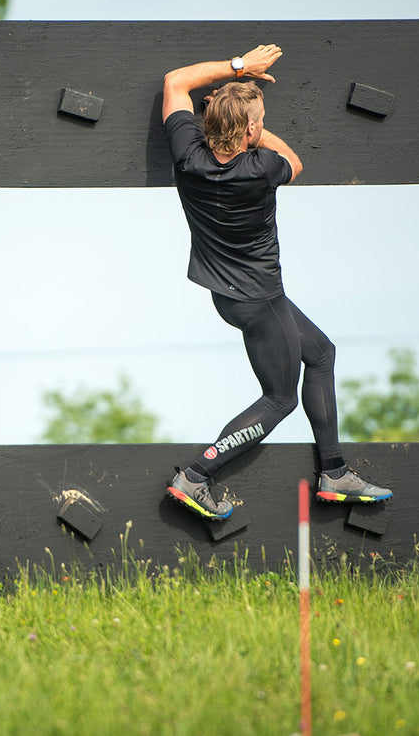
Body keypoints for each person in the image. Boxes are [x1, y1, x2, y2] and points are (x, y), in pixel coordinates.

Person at [161, 43, 392, 520]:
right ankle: (197, 476)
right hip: (261, 301)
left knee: (322, 353)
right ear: (250, 130)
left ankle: (333, 471)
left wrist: (238, 70)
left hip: (229, 295)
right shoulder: (260, 167)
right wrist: (250, 123)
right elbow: (294, 159)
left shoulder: (187, 156)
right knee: (279, 398)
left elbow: (175, 82)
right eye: (258, 120)